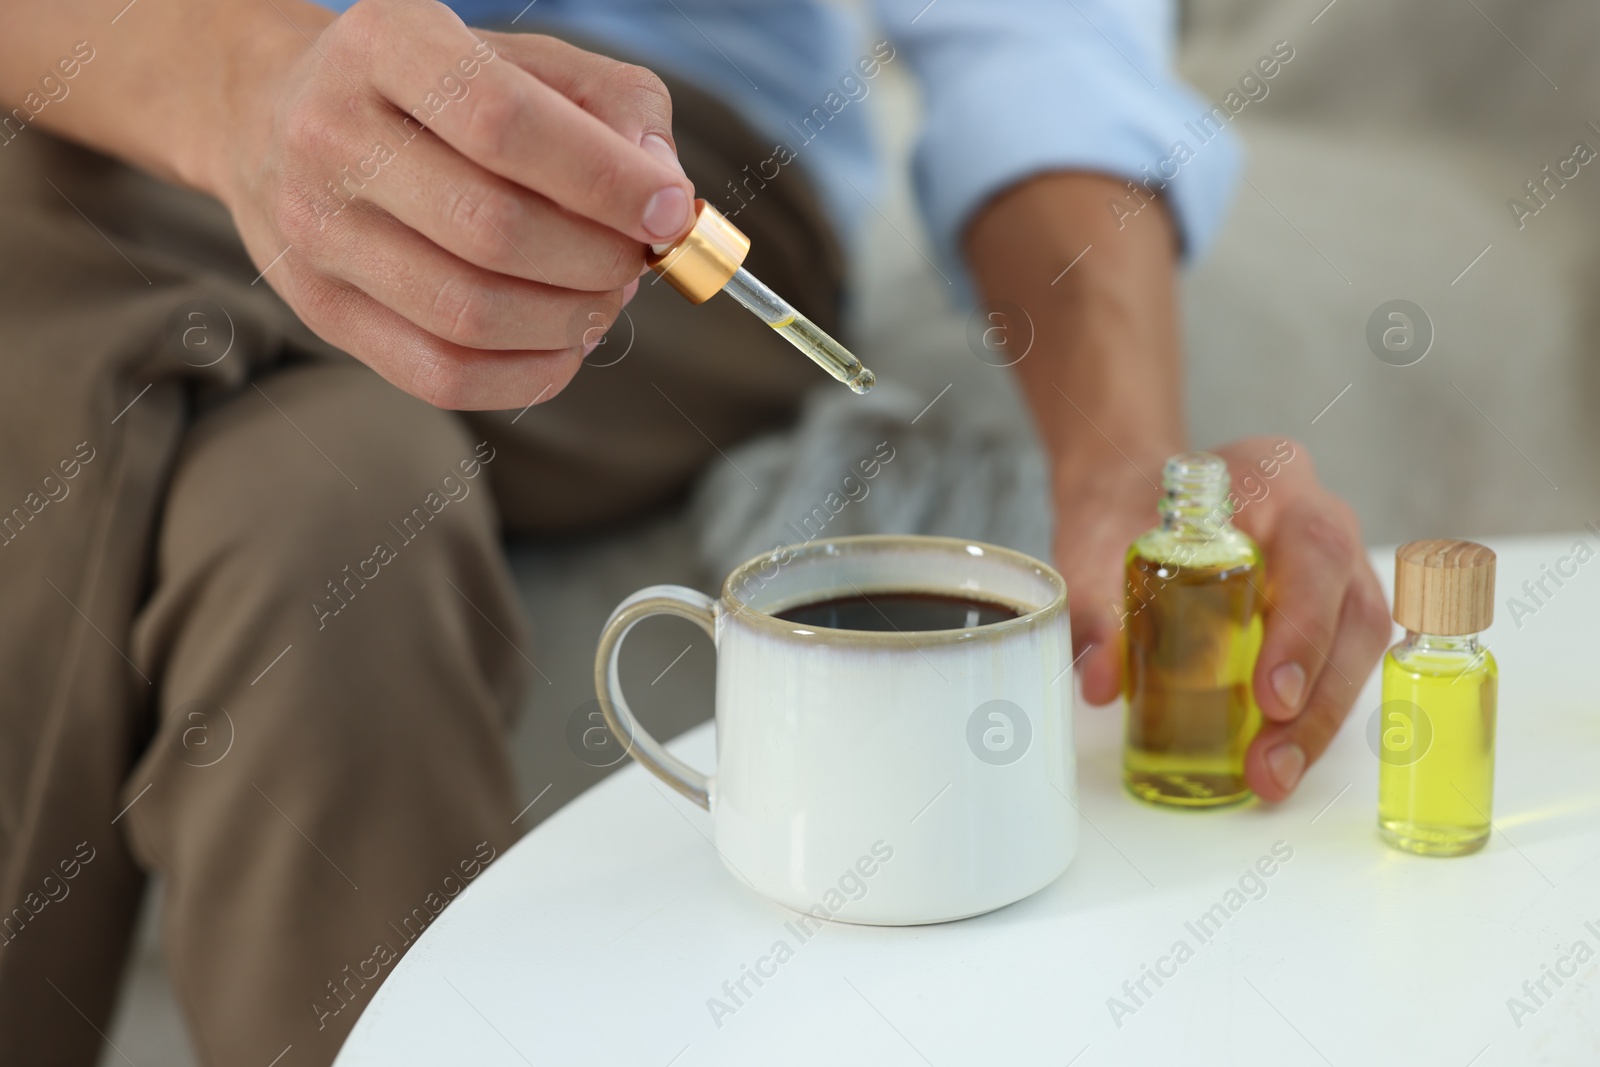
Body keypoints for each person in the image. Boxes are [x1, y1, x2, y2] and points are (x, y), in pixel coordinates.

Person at [0, 0, 1390, 1062]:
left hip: (662, 185)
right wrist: (248, 88)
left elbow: (1034, 40)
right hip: (135, 92)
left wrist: (1118, 459)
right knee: (319, 516)